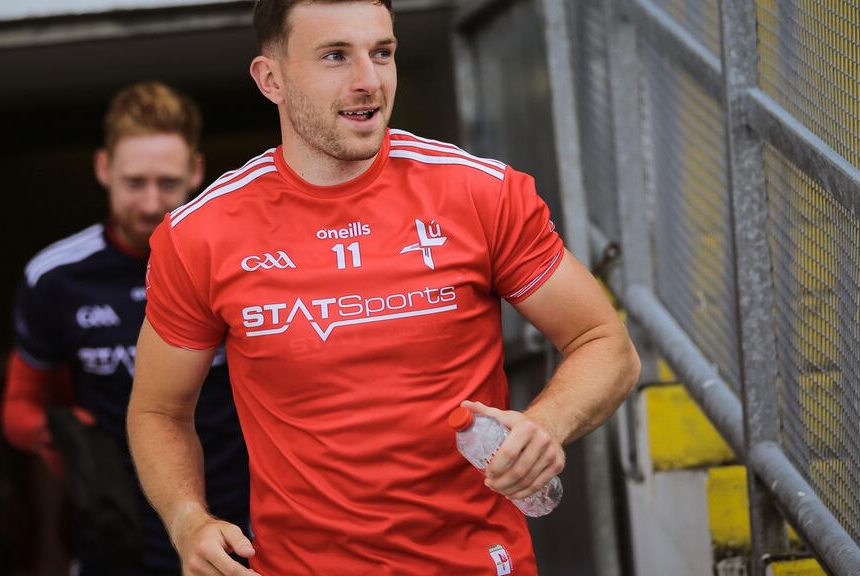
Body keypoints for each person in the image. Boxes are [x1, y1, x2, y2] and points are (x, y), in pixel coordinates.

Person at [129, 1, 640, 574]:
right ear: (270, 79)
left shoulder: (480, 194)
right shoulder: (202, 234)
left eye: (382, 53)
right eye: (334, 56)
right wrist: (187, 520)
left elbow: (606, 344)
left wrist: (547, 423)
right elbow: (158, 412)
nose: (368, 82)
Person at [1, 81, 250, 576]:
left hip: (238, 524)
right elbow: (18, 407)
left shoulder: (243, 261)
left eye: (169, 183)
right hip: (114, 530)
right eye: (135, 183)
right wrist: (64, 437)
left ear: (197, 171)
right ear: (102, 169)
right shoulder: (56, 276)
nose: (151, 202)